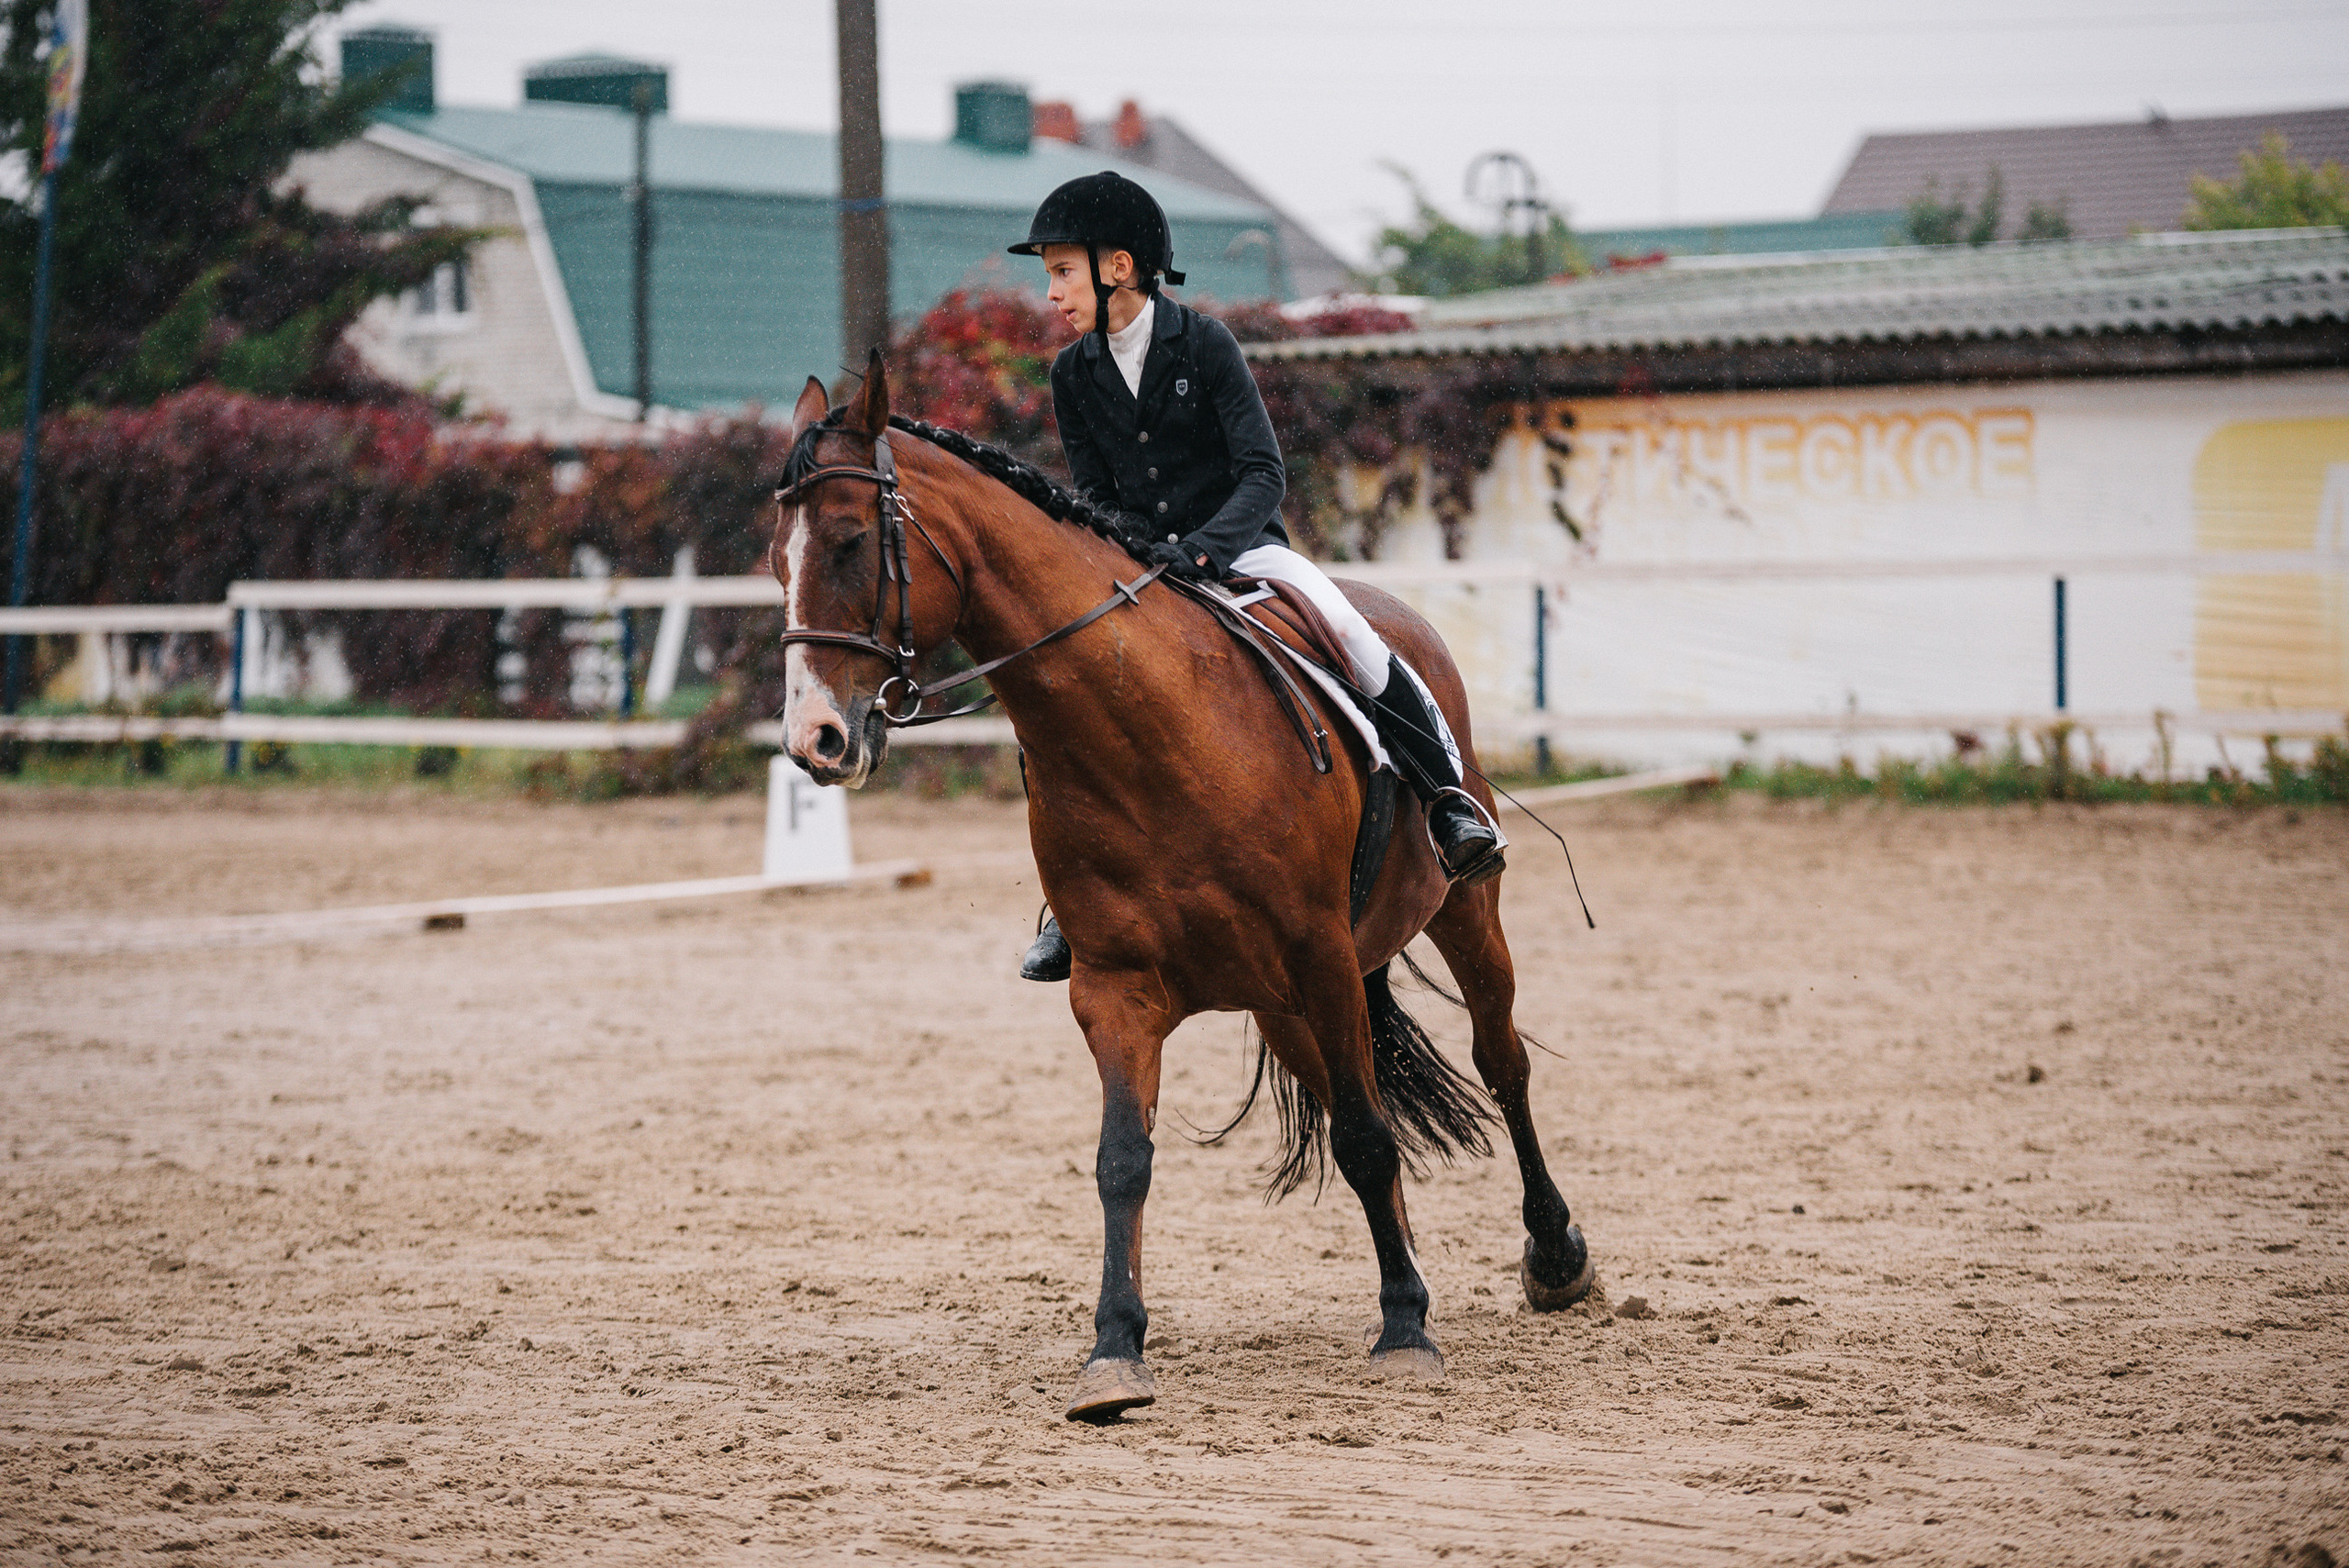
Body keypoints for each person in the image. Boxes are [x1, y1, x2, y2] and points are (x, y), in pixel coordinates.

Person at [1008, 170, 1503, 983]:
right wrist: (1131, 551)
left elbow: (1262, 473)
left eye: (1062, 271)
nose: (1052, 291)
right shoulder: (1073, 374)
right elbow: (1095, 494)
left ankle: (1449, 802)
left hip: (1241, 548)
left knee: (1350, 632)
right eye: (1050, 275)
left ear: (1119, 266)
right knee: (1070, 686)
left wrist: (1201, 550)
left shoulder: (1204, 344)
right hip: (1139, 570)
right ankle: (1073, 898)